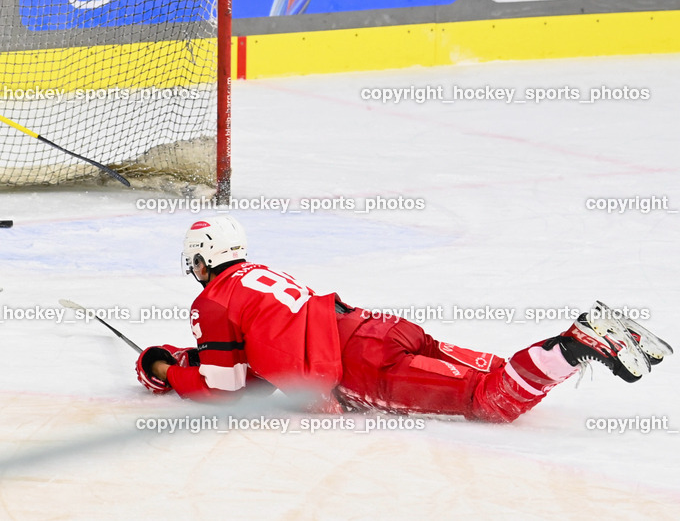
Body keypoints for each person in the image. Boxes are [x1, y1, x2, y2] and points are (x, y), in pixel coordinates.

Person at [135, 216, 671, 421]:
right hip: (377, 327)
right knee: (495, 371)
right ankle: (592, 338)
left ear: (202, 260)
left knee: (488, 401)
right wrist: (193, 359)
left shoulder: (214, 300)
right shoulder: (260, 275)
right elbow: (260, 356)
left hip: (361, 364)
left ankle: (576, 344)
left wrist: (166, 371)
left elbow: (227, 390)